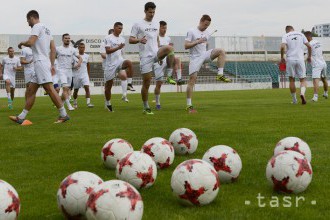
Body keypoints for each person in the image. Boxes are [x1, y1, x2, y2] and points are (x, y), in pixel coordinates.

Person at [10, 10, 69, 125]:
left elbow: (31, 42)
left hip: (40, 62)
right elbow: (53, 48)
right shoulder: (47, 29)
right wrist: (51, 64)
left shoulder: (36, 26)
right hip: (43, 62)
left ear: (32, 18)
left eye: (28, 20)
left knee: (50, 89)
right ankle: (21, 117)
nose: (28, 23)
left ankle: (64, 115)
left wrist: (22, 43)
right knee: (31, 90)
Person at [129, 1, 176, 115]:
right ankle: (146, 107)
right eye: (150, 12)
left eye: (154, 12)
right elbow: (130, 39)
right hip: (145, 57)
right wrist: (139, 40)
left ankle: (169, 75)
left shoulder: (156, 24)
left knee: (170, 49)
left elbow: (157, 39)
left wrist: (161, 54)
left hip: (156, 53)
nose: (152, 14)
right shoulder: (138, 24)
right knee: (147, 83)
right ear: (145, 11)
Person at [184, 14, 230, 113]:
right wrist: (197, 42)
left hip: (204, 54)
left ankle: (220, 74)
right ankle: (189, 105)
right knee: (192, 80)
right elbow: (186, 46)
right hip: (195, 58)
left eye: (208, 25)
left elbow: (205, 43)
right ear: (201, 21)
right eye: (205, 25)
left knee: (221, 51)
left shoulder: (207, 32)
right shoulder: (191, 31)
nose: (206, 27)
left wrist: (205, 44)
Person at [153, 20, 184, 110]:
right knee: (159, 84)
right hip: (158, 62)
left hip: (167, 60)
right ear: (159, 28)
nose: (164, 29)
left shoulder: (168, 38)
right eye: (163, 28)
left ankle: (178, 78)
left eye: (165, 28)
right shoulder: (155, 38)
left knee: (177, 59)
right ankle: (158, 103)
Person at [104, 22, 133, 111]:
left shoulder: (122, 39)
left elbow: (121, 51)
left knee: (129, 62)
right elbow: (108, 51)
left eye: (121, 28)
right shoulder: (108, 38)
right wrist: (118, 47)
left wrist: (122, 53)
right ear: (114, 28)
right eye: (119, 28)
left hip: (120, 61)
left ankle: (129, 84)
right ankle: (108, 103)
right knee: (108, 87)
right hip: (110, 65)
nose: (120, 30)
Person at [280, 25, 311, 105]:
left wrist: (282, 57)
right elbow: (309, 46)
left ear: (286, 30)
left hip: (290, 59)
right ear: (293, 29)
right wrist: (309, 56)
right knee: (302, 79)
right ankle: (302, 93)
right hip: (300, 59)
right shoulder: (301, 34)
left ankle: (294, 100)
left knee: (291, 80)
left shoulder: (286, 35)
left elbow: (282, 47)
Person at [56, 33, 82, 111]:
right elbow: (52, 56)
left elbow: (80, 58)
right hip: (61, 70)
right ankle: (69, 106)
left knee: (67, 90)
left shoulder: (72, 49)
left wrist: (78, 64)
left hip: (69, 71)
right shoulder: (58, 48)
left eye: (68, 38)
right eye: (66, 38)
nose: (67, 39)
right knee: (65, 88)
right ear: (62, 39)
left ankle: (61, 104)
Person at [304, 31, 328, 101]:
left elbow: (304, 55)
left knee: (315, 80)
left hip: (316, 65)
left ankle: (315, 97)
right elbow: (322, 52)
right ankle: (326, 93)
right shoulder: (318, 42)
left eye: (305, 38)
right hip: (323, 63)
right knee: (324, 79)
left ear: (308, 37)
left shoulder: (308, 45)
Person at [72, 42, 94, 108]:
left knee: (87, 87)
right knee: (76, 90)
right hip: (76, 75)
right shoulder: (74, 56)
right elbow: (71, 65)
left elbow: (88, 65)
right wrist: (74, 66)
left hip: (84, 74)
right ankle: (75, 103)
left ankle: (88, 103)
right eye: (81, 47)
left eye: (83, 47)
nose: (82, 49)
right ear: (78, 48)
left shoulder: (87, 56)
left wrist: (88, 74)